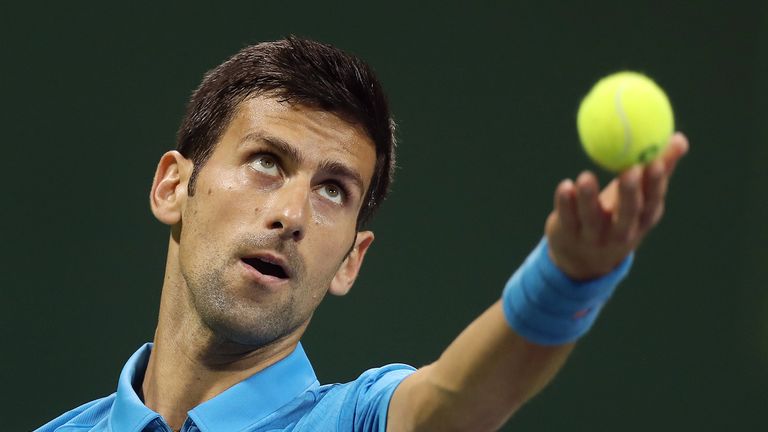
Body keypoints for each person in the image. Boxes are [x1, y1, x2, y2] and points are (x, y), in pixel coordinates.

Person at [36, 36, 688, 432]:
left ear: (351, 259)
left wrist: (568, 277)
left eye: (333, 190)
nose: (292, 214)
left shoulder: (360, 421)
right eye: (267, 162)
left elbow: (451, 404)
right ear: (173, 187)